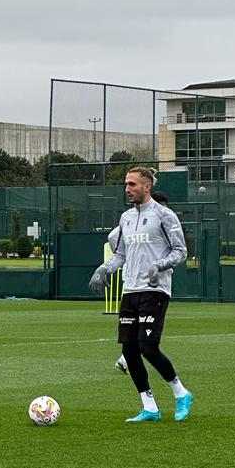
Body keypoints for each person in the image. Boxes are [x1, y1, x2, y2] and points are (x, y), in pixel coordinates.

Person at [89, 168, 194, 422]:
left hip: (155, 290)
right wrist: (104, 269)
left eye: (132, 184)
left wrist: (160, 265)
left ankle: (181, 393)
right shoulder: (125, 218)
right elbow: (121, 255)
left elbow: (181, 251)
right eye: (126, 184)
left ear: (147, 186)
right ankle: (149, 407)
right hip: (130, 290)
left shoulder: (164, 215)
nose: (127, 188)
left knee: (148, 346)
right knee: (130, 349)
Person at [114, 189, 170, 375]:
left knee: (145, 332)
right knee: (143, 335)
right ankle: (125, 359)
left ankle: (126, 358)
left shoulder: (163, 221)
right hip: (137, 284)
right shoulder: (132, 219)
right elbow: (114, 238)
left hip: (152, 284)